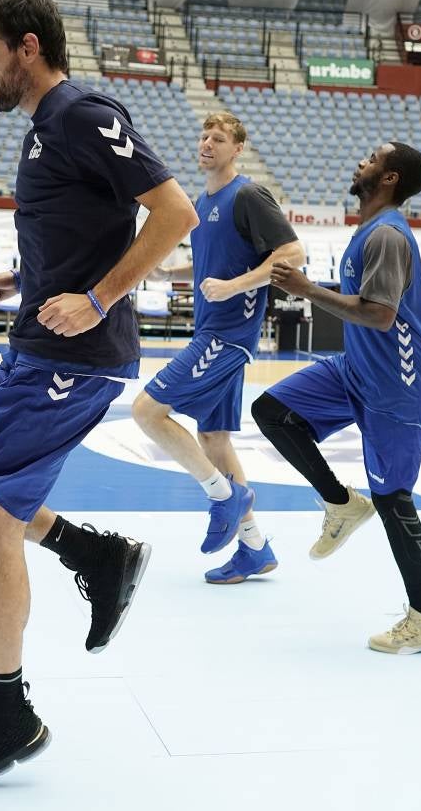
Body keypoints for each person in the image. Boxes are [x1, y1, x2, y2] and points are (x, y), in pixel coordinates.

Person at [0, 0, 198, 790]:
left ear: (29, 48)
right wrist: (24, 277)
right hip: (33, 343)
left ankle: (8, 716)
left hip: (74, 360)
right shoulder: (45, 130)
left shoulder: (79, 112)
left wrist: (99, 297)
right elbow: (85, 227)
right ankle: (96, 554)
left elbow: (176, 214)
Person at [258, 142, 421, 654]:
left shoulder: (387, 235)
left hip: (399, 380)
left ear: (389, 178)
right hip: (358, 369)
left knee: (393, 499)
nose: (360, 161)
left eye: (372, 158)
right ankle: (341, 502)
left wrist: (305, 289)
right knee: (274, 411)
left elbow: (379, 314)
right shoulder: (369, 230)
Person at [132, 111, 304, 584]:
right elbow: (217, 262)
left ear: (237, 148)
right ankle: (254, 549)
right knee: (214, 440)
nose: (207, 143)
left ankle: (222, 495)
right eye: (204, 136)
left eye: (219, 138)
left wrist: (236, 287)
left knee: (147, 411)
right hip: (214, 332)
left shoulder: (247, 195)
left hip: (228, 336)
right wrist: (172, 274)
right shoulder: (202, 201)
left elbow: (292, 254)